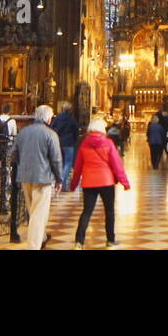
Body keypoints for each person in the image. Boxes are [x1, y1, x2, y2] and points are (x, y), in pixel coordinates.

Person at [69, 118, 131, 249]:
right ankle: (110, 240)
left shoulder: (84, 144)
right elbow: (117, 165)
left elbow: (78, 166)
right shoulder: (108, 143)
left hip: (89, 182)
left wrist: (73, 184)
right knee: (109, 211)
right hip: (106, 181)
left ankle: (79, 242)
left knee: (87, 212)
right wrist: (125, 182)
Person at [11, 104, 63, 250]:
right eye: (51, 117)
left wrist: (20, 166)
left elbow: (13, 154)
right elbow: (56, 159)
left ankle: (43, 237)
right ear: (48, 118)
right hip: (42, 178)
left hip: (25, 176)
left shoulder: (23, 132)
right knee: (38, 214)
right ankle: (34, 246)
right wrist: (59, 179)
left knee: (33, 210)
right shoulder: (50, 134)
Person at [51, 101, 80, 179]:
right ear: (70, 109)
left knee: (61, 162)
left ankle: (60, 181)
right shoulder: (72, 118)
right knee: (68, 163)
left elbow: (52, 127)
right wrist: (74, 139)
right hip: (69, 143)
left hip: (59, 142)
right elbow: (76, 130)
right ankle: (63, 181)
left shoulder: (58, 117)